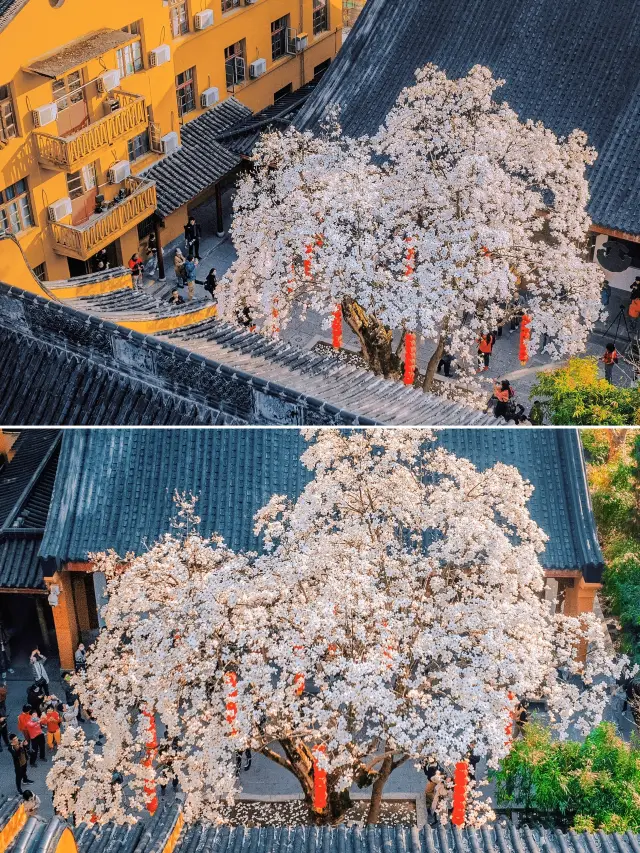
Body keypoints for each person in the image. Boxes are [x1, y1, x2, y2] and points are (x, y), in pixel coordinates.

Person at [0, 686, 8, 751]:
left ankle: (7, 742)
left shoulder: (3, 699)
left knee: (4, 731)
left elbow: (3, 708)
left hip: (3, 717)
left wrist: (4, 716)